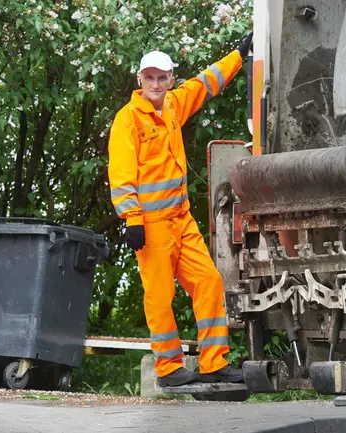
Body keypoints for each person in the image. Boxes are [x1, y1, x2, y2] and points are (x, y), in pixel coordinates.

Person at [107, 33, 253, 387]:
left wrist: (238, 55)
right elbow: (122, 175)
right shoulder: (128, 120)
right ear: (139, 80)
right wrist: (132, 220)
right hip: (151, 226)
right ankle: (169, 368)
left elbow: (205, 84)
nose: (156, 84)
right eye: (149, 78)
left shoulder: (172, 105)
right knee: (160, 297)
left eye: (162, 78)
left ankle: (213, 362)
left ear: (170, 79)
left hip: (181, 221)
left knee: (209, 282)